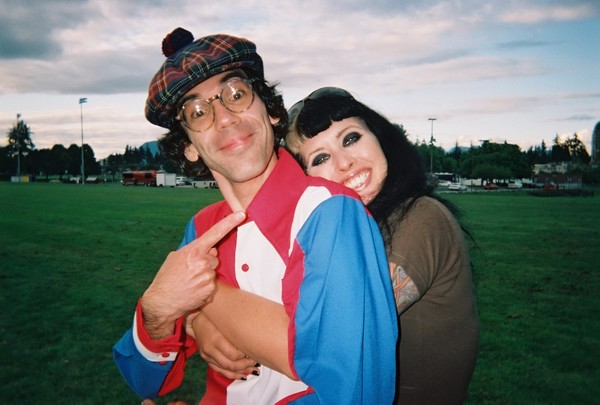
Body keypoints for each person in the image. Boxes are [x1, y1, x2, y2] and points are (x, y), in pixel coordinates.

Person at [112, 28, 397, 405]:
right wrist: (156, 311)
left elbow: (355, 392)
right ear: (189, 148)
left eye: (236, 94)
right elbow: (145, 381)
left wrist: (204, 301)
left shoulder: (331, 212)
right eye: (198, 112)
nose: (225, 118)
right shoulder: (201, 229)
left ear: (272, 111)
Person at [285, 87, 480, 404]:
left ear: (379, 137)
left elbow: (341, 333)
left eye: (350, 138)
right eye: (320, 157)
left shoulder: (422, 217)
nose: (345, 162)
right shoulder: (350, 232)